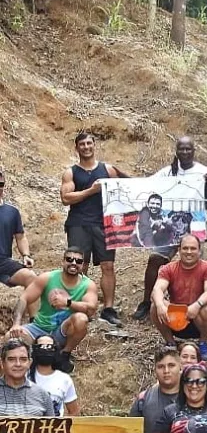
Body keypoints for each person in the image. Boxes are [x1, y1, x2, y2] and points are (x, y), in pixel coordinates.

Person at [133, 137, 207, 320]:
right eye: (181, 149)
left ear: (193, 150)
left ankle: (203, 305)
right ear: (176, 151)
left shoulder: (203, 172)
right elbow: (144, 187)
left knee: (200, 268)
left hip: (194, 229)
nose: (185, 152)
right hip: (169, 228)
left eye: (188, 149)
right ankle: (147, 302)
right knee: (155, 260)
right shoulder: (167, 172)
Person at [60, 131, 127, 327]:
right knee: (79, 265)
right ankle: (81, 307)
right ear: (77, 147)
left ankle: (108, 309)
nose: (86, 147)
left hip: (104, 225)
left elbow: (129, 187)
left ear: (94, 145)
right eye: (82, 144)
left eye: (89, 143)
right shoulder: (71, 172)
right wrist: (92, 190)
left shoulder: (108, 169)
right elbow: (66, 198)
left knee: (108, 266)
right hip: (79, 223)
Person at [10, 247, 99, 374]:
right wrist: (16, 323)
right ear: (63, 261)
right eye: (70, 259)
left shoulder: (88, 285)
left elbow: (90, 309)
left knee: (81, 319)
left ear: (82, 265)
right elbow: (24, 298)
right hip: (40, 327)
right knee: (11, 337)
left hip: (63, 331)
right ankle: (30, 360)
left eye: (78, 261)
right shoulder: (47, 278)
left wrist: (67, 303)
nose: (74, 263)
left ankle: (64, 355)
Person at [150, 234, 207, 361]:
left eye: (193, 248)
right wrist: (160, 305)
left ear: (199, 251)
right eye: (185, 248)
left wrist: (196, 305)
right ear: (179, 250)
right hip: (176, 316)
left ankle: (203, 342)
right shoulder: (168, 269)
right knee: (155, 306)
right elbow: (157, 289)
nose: (189, 252)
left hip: (198, 318)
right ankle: (170, 343)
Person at [0, 169, 36, 293]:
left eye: (1, 184)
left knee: (31, 278)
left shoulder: (12, 212)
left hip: (3, 262)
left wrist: (26, 255)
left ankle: (30, 313)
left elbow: (20, 237)